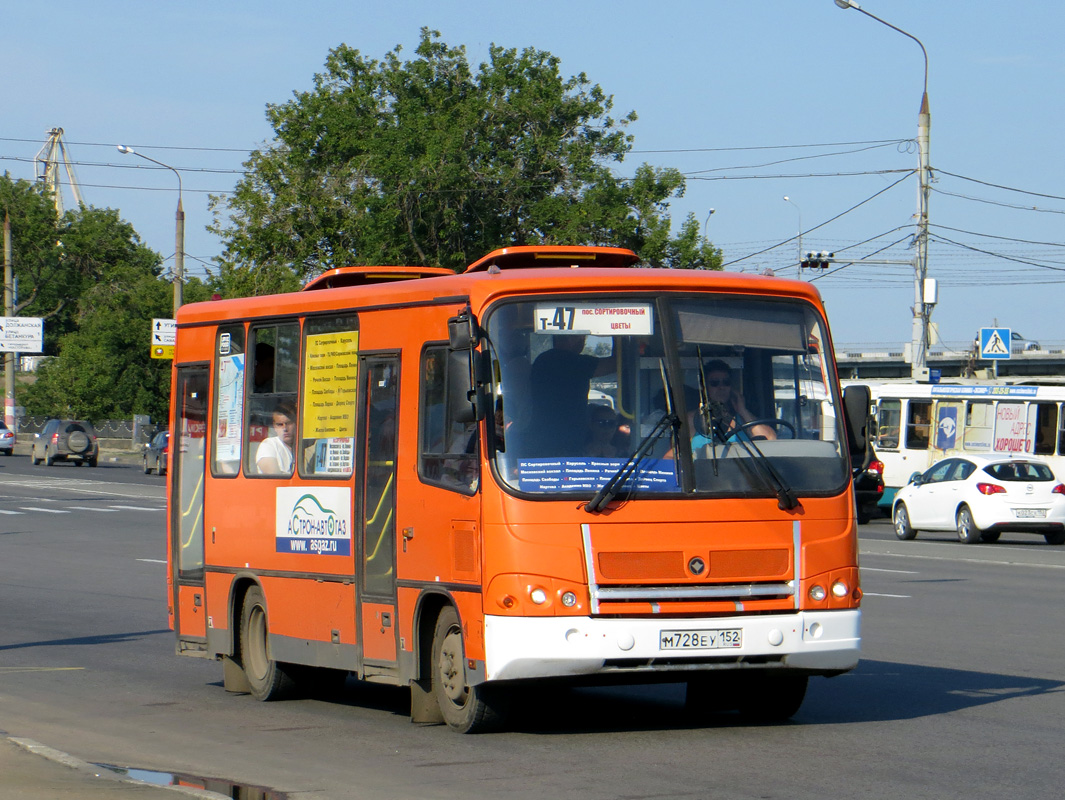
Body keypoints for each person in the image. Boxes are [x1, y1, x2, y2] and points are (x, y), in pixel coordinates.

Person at [698, 359, 776, 443]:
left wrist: (742, 411)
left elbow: (770, 439)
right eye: (714, 383)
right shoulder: (693, 419)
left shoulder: (744, 419)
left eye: (726, 382)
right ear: (704, 388)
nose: (721, 387)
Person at [256, 400, 296, 475]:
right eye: (280, 425)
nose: (285, 429)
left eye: (289, 423)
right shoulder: (268, 445)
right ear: (274, 426)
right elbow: (273, 477)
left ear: (296, 423)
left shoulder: (300, 448)